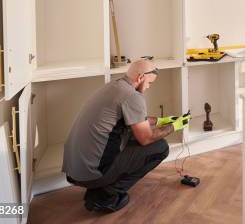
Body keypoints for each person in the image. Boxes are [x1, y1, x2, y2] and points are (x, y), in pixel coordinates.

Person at [62, 59, 191, 212]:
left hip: (74, 170)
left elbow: (134, 118)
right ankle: (106, 195)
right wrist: (174, 126)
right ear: (141, 77)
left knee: (129, 134)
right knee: (160, 147)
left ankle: (99, 188)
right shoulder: (133, 96)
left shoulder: (114, 87)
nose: (148, 87)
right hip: (91, 173)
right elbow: (146, 138)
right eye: (149, 83)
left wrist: (162, 120)